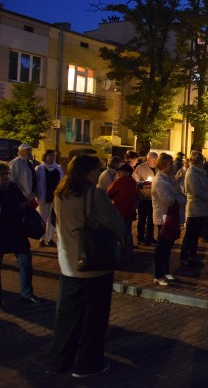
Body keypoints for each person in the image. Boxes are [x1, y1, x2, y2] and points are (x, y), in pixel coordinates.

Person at [49, 154, 125, 377]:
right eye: (95, 169)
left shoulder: (60, 194)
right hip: (94, 265)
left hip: (68, 263)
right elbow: (117, 225)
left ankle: (60, 361)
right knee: (94, 318)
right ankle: (87, 365)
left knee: (67, 317)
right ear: (87, 172)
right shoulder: (95, 195)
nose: (97, 173)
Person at [0, 161, 41, 308]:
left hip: (17, 231)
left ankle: (27, 293)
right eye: (2, 174)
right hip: (1, 232)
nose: (5, 177)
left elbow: (24, 203)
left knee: (26, 262)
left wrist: (27, 205)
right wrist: (18, 207)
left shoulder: (12, 187)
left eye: (6, 174)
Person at [151, 153, 186, 285]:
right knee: (162, 247)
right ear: (163, 164)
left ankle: (165, 271)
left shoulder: (170, 179)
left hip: (172, 216)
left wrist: (179, 197)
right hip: (164, 217)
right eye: (170, 164)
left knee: (168, 246)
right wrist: (179, 198)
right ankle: (158, 275)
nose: (172, 166)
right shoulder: (160, 180)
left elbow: (179, 193)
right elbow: (168, 199)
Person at [181, 151, 208, 267]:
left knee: (195, 235)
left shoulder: (200, 172)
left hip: (201, 208)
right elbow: (196, 191)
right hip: (195, 208)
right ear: (200, 161)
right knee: (190, 234)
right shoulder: (192, 173)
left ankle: (192, 256)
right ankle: (185, 257)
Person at [107, 163, 138, 260]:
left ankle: (120, 254)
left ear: (126, 172)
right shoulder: (133, 182)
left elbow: (109, 192)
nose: (118, 173)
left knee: (118, 233)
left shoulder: (120, 181)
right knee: (127, 232)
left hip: (119, 210)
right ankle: (129, 253)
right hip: (129, 210)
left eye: (120, 171)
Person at [35, 149, 64, 247]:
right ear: (45, 157)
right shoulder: (39, 168)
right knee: (43, 219)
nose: (52, 157)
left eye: (53, 156)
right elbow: (37, 183)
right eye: (50, 155)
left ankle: (50, 238)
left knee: (52, 220)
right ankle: (42, 238)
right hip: (43, 197)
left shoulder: (58, 168)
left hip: (54, 198)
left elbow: (62, 182)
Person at [133, 152, 158, 246]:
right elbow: (136, 181)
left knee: (152, 219)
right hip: (143, 197)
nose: (155, 162)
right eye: (153, 160)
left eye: (156, 160)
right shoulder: (140, 168)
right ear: (148, 159)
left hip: (154, 197)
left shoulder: (158, 168)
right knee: (142, 218)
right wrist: (144, 182)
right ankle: (140, 237)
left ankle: (150, 237)